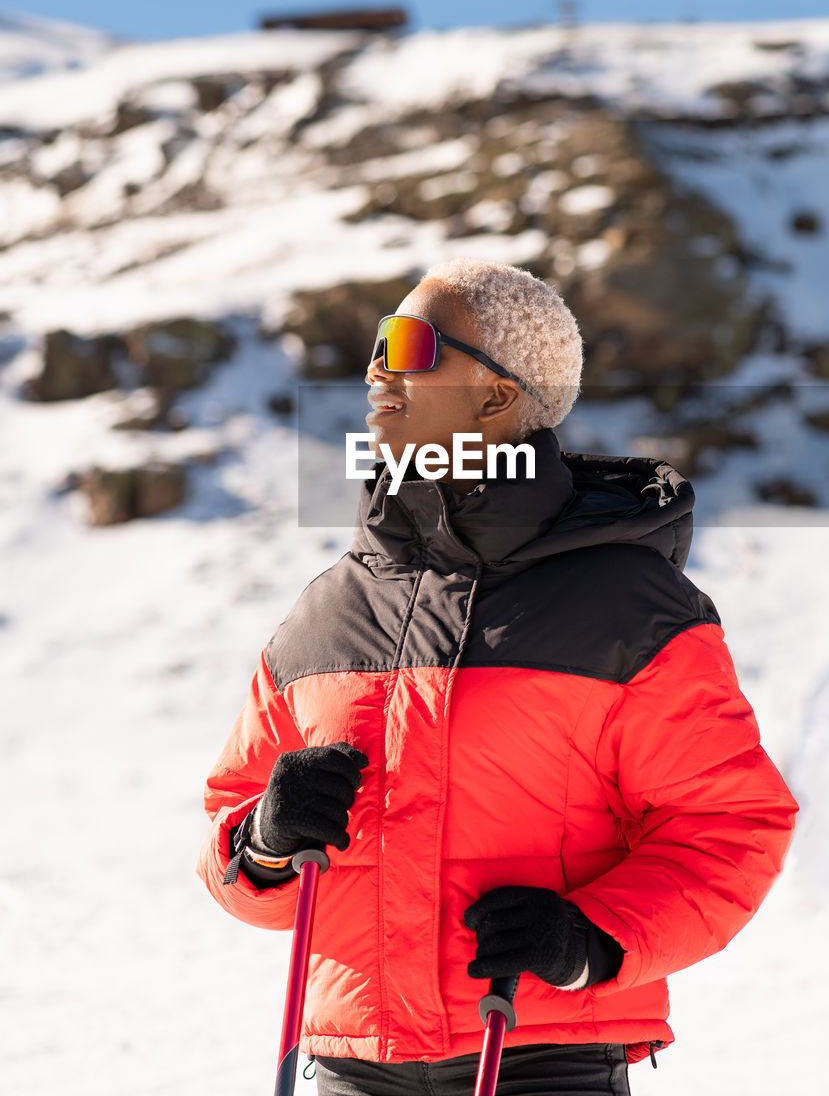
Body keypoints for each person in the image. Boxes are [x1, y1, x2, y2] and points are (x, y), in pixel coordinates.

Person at [198, 258, 798, 1096]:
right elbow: (234, 848)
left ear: (496, 397)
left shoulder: (627, 606)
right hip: (349, 1065)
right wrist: (264, 839)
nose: (378, 368)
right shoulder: (329, 610)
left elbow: (732, 826)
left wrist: (589, 939)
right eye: (377, 343)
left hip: (536, 1056)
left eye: (409, 345)